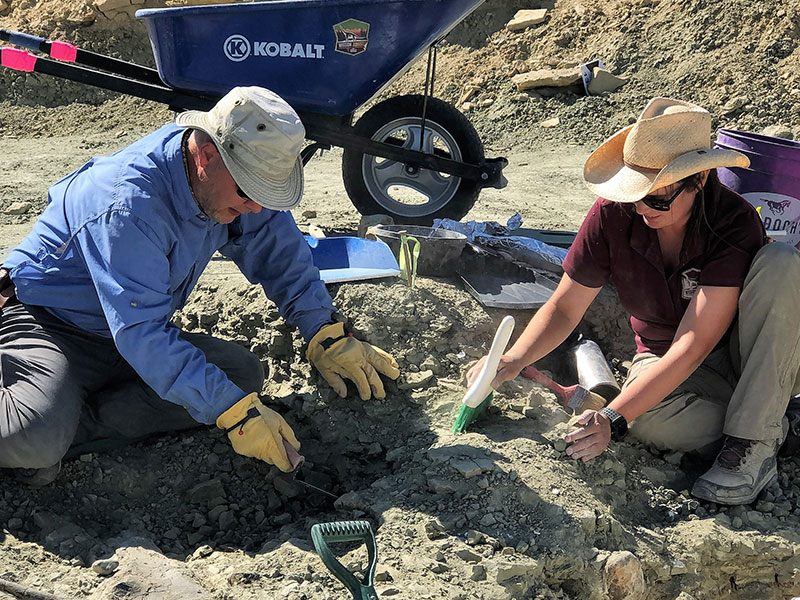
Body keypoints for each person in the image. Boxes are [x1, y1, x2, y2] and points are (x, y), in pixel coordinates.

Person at [0, 86, 399, 487]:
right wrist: (234, 413)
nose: (256, 206)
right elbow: (144, 334)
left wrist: (324, 330)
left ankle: (70, 420)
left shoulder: (231, 181)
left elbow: (278, 250)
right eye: (249, 192)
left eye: (265, 193)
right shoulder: (126, 205)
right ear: (207, 155)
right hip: (48, 325)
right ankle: (46, 425)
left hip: (125, 332)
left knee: (240, 376)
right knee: (33, 437)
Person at [467, 97, 800, 505]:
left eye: (657, 197)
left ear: (697, 180)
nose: (642, 208)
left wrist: (610, 417)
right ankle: (774, 418)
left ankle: (752, 441)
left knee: (782, 262)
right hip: (665, 357)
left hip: (748, 351)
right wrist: (513, 359)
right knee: (648, 422)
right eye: (635, 194)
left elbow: (694, 344)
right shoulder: (612, 215)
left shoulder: (733, 219)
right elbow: (565, 307)